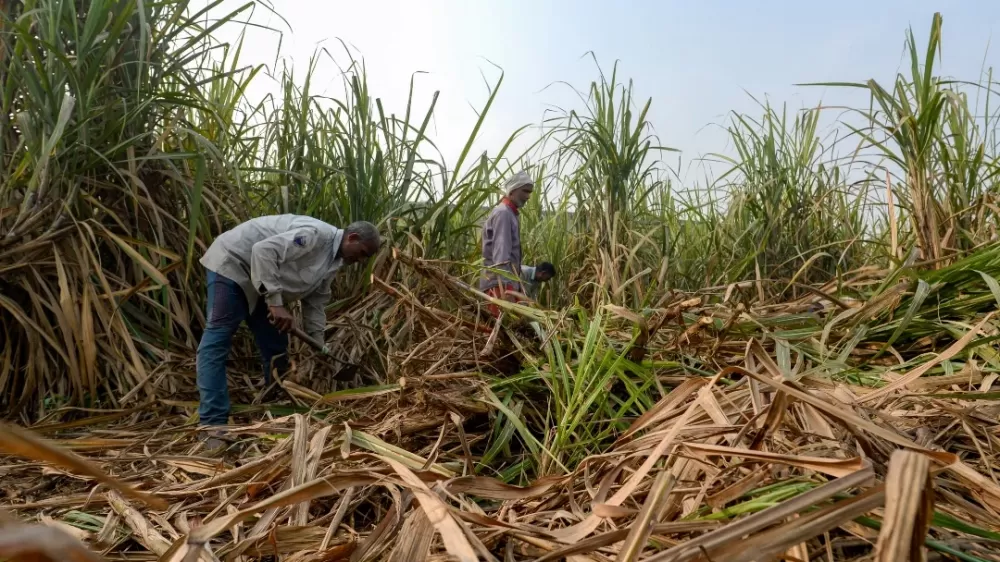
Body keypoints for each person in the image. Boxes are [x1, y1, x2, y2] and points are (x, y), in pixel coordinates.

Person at [196, 215, 380, 448]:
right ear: (352, 238)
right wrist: (275, 302)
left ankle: (274, 405)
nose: (361, 260)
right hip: (233, 264)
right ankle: (212, 425)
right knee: (217, 340)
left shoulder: (334, 262)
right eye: (363, 252)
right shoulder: (315, 235)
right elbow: (262, 251)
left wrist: (318, 345)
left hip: (261, 281)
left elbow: (316, 304)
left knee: (275, 346)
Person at [480, 170, 533, 317]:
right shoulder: (503, 213)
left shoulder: (509, 214)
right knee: (498, 331)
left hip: (505, 283)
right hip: (498, 285)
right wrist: (505, 290)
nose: (528, 196)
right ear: (513, 190)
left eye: (530, 192)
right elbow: (501, 255)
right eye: (525, 191)